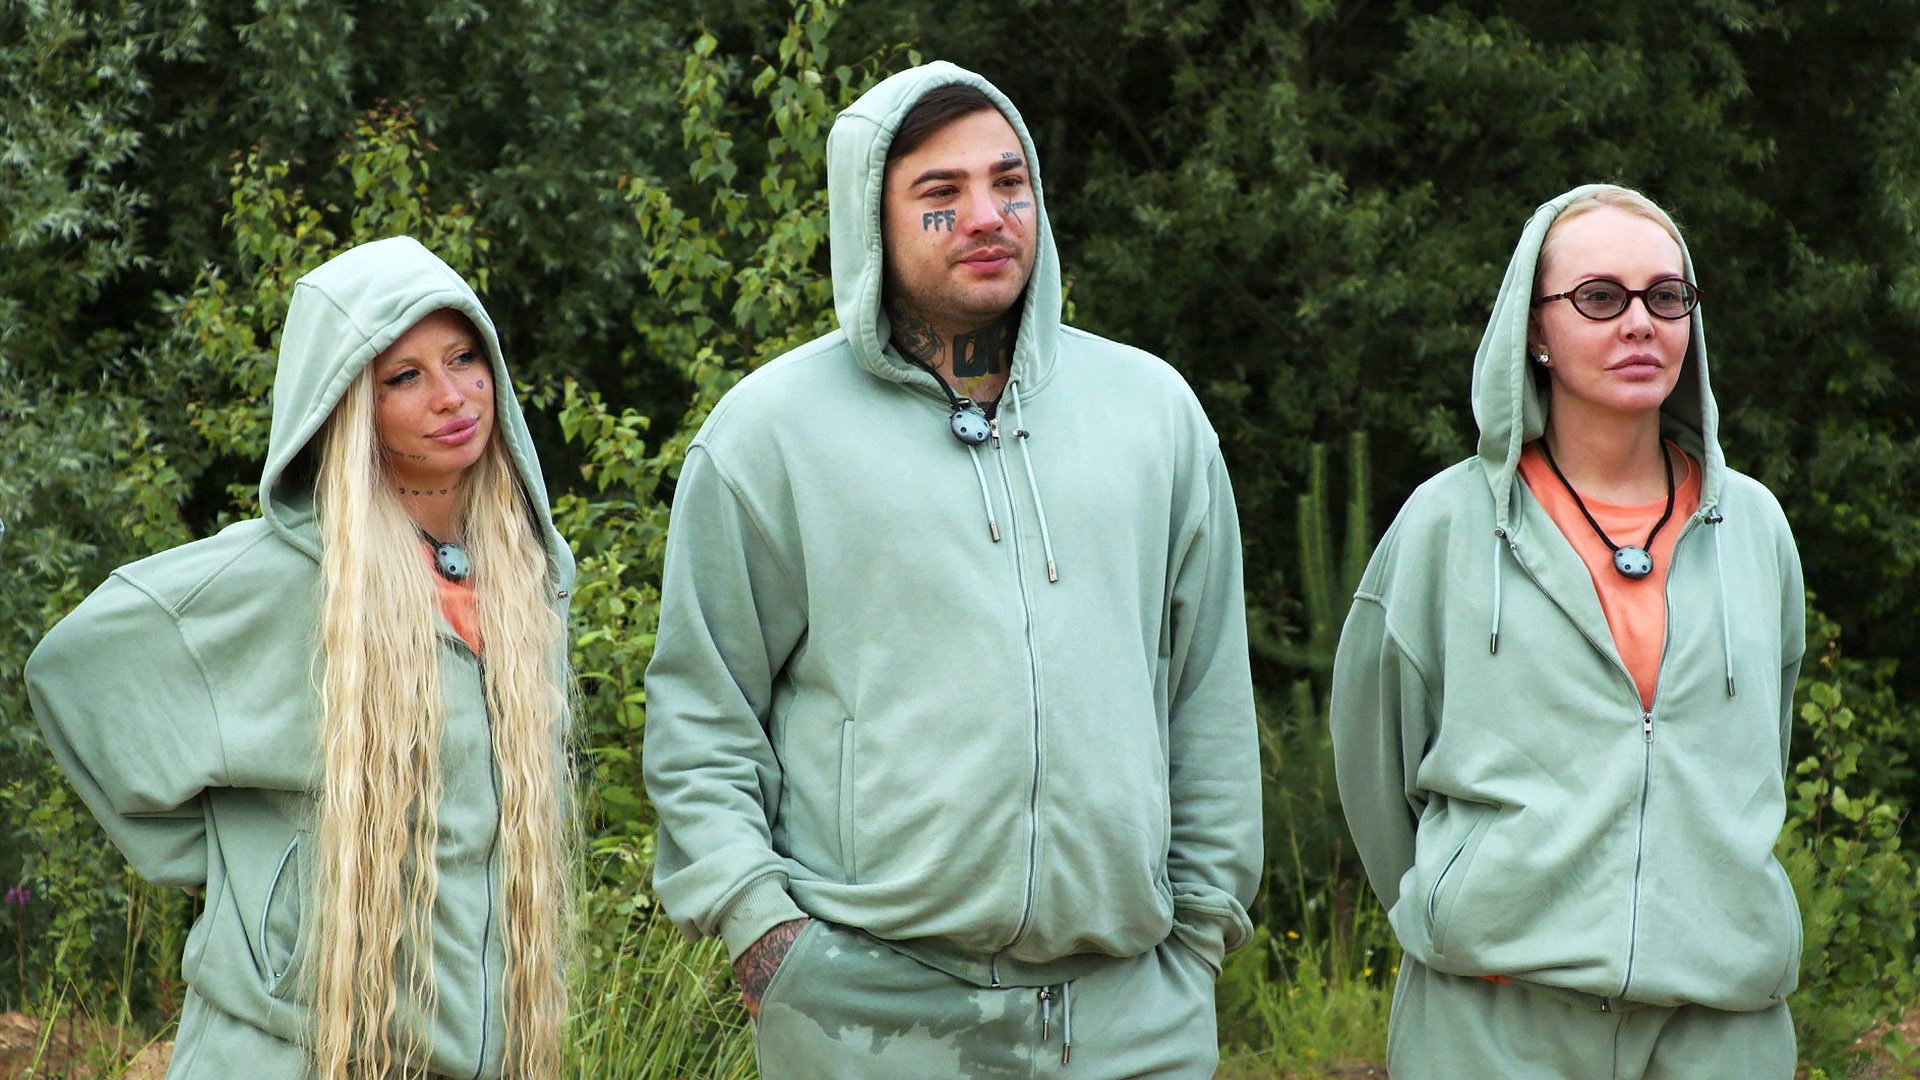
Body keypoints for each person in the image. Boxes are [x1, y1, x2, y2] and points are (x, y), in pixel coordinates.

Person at [642, 61, 1261, 1078]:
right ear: (869, 219)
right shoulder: (770, 435)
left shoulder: (1152, 414)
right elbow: (703, 714)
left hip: (1131, 1016)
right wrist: (761, 931)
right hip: (868, 1019)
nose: (986, 216)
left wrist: (1200, 932)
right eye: (942, 192)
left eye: (1008, 183)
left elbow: (1208, 697)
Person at [26, 237, 575, 1080]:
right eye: (404, 377)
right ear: (346, 403)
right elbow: (74, 671)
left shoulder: (523, 576)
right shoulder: (278, 576)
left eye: (464, 359)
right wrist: (251, 872)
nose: (452, 396)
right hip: (286, 1051)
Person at [1330, 184, 1806, 1079]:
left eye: (1666, 296)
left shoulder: (1755, 529)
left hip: (1722, 1027)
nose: (1640, 323)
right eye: (1599, 297)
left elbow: (1761, 753)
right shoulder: (1446, 525)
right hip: (1493, 1026)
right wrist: (1462, 910)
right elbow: (1372, 762)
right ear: (1535, 329)